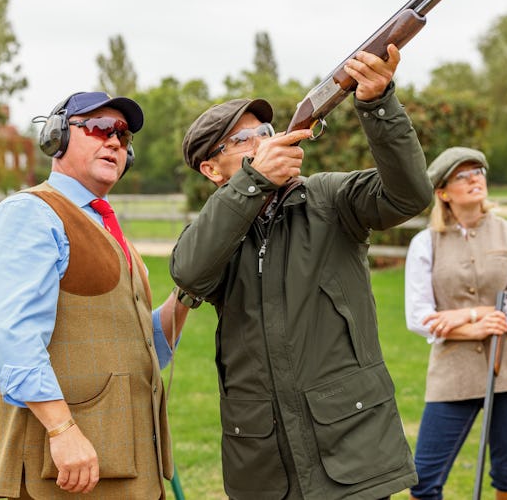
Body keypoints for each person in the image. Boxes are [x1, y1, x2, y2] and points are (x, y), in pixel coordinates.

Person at [170, 44, 432, 499]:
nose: (266, 142)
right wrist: (255, 181)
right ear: (212, 169)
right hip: (262, 464)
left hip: (351, 447)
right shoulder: (213, 231)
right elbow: (189, 273)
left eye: (267, 131)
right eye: (245, 140)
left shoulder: (329, 198)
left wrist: (377, 102)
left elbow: (408, 195)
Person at [0, 91, 191, 499]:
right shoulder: (31, 213)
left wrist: (188, 292)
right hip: (58, 470)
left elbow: (145, 349)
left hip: (127, 468)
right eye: (99, 128)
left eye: (123, 136)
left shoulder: (107, 227)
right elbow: (14, 337)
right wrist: (61, 429)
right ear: (56, 137)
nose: (114, 142)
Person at [403, 147, 507, 500]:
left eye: (478, 172)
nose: (474, 180)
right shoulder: (425, 243)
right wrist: (477, 324)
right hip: (452, 371)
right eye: (462, 176)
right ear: (443, 192)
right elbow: (417, 317)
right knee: (424, 482)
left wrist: (465, 315)